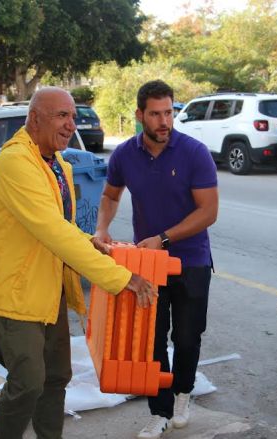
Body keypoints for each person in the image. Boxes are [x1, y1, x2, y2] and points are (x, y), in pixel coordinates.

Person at [0, 86, 156, 439]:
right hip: (14, 296)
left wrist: (91, 241)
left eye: (73, 117)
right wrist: (121, 278)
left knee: (57, 377)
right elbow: (53, 231)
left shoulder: (56, 164)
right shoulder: (16, 163)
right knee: (28, 382)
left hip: (48, 289)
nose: (70, 124)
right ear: (34, 118)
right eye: (61, 116)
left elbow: (61, 224)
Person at [94, 80, 218, 439]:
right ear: (140, 115)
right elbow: (110, 195)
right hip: (147, 265)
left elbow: (208, 211)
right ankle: (159, 411)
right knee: (150, 339)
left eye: (169, 112)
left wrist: (163, 238)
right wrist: (102, 228)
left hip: (191, 259)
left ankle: (182, 393)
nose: (165, 121)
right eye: (156, 114)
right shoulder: (124, 155)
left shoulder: (194, 152)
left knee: (188, 335)